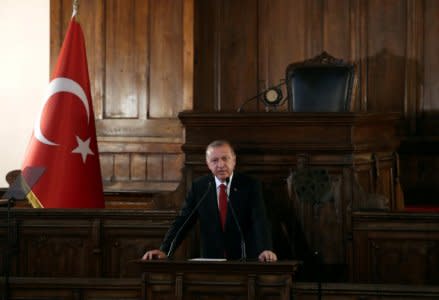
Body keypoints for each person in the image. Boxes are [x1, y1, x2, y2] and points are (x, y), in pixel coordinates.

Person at [142, 140, 277, 262]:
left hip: (246, 258)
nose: (221, 165)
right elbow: (183, 221)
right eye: (215, 160)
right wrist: (164, 250)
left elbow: (259, 220)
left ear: (234, 160)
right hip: (211, 260)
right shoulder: (200, 187)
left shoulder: (250, 185)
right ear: (208, 164)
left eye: (225, 159)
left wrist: (265, 249)